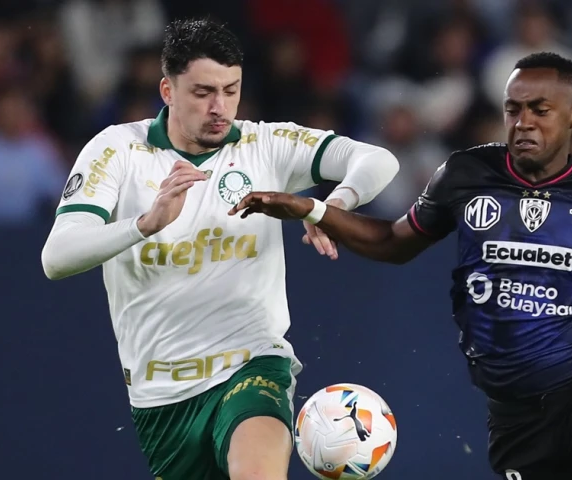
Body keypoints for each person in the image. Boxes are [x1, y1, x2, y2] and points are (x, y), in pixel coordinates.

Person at [228, 52, 572, 480]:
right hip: (513, 410)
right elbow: (394, 243)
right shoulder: (466, 175)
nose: (522, 121)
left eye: (539, 110)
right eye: (513, 109)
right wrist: (313, 207)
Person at [40, 17, 399, 480]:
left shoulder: (264, 144)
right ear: (167, 91)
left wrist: (328, 209)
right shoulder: (118, 150)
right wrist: (145, 224)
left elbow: (377, 159)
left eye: (231, 90)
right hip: (160, 396)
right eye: (203, 92)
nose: (220, 107)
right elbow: (56, 257)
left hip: (252, 363)